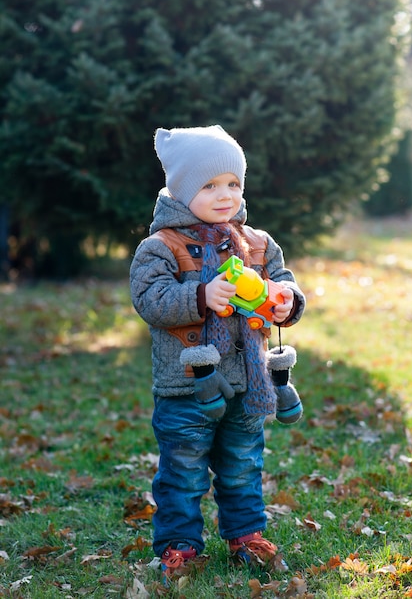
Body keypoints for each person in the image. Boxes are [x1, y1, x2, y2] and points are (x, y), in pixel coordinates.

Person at [130, 125, 306, 582]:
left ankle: (246, 535)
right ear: (181, 189)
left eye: (233, 183)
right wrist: (201, 295)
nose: (225, 194)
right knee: (184, 469)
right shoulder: (160, 246)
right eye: (209, 185)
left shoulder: (258, 243)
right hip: (186, 385)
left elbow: (282, 281)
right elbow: (150, 300)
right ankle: (180, 546)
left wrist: (287, 299)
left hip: (249, 383)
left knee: (243, 464)